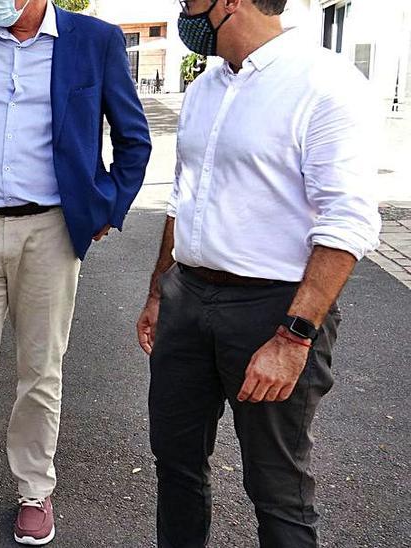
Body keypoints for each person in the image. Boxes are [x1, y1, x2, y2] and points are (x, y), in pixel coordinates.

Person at [135, 1, 381, 546]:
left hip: (273, 310)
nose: (184, 10)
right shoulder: (205, 88)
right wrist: (159, 292)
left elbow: (349, 221)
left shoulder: (325, 82)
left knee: (278, 490)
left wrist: (294, 338)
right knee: (175, 467)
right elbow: (183, 198)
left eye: (189, 2)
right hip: (188, 300)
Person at [0, 0, 151, 546]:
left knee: (40, 371)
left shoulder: (95, 41)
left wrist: (106, 206)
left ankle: (35, 491)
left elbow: (134, 138)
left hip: (50, 230)